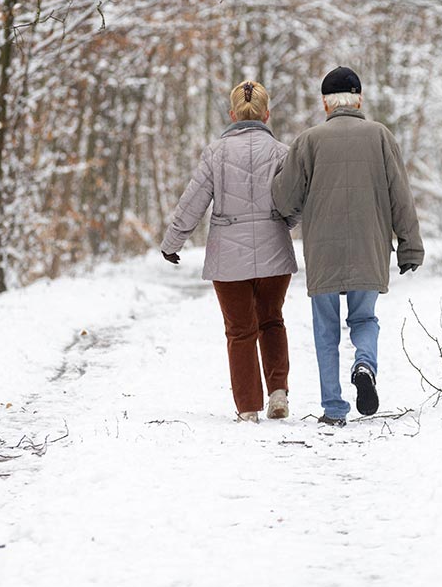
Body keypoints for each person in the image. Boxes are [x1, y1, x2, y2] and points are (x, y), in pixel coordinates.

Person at [271, 66, 424, 427]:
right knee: (364, 318)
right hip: (369, 245)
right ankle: (364, 364)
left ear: (325, 103)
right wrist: (409, 246)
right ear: (359, 99)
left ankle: (334, 408)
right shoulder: (380, 136)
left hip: (323, 249)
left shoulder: (308, 140)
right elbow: (400, 196)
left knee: (325, 328)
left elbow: (284, 199)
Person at [160, 80, 299, 422]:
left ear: (232, 114)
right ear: (266, 114)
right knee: (272, 320)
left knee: (239, 331)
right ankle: (278, 392)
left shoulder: (215, 153)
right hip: (274, 255)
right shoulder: (282, 153)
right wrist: (284, 224)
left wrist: (172, 242)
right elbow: (295, 201)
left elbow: (193, 202)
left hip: (228, 259)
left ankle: (248, 408)